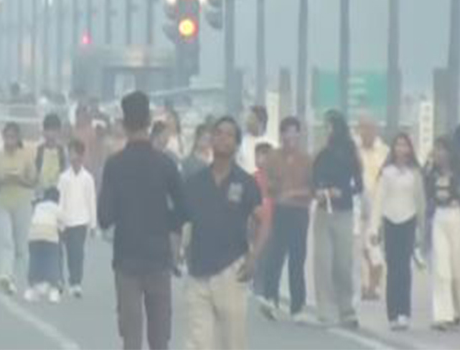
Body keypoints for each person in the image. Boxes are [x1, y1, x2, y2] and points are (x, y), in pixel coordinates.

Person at [98, 90, 187, 350]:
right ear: (149, 120)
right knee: (160, 337)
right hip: (159, 257)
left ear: (124, 124)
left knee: (131, 337)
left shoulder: (115, 165)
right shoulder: (165, 164)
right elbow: (184, 208)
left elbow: (104, 218)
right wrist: (166, 222)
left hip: (127, 258)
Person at [181, 116, 265, 350]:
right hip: (198, 272)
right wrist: (177, 249)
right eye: (218, 133)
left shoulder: (245, 182)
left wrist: (253, 257)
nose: (222, 138)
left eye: (229, 134)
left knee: (232, 342)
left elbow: (263, 221)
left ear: (236, 144)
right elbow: (181, 219)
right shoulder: (195, 182)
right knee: (198, 342)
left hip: (232, 270)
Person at [312, 109, 363, 329]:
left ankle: (346, 308)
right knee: (323, 261)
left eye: (330, 125)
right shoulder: (322, 154)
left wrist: (343, 191)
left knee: (343, 263)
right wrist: (321, 192)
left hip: (344, 212)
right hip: (324, 212)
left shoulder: (351, 152)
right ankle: (325, 309)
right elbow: (313, 181)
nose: (328, 129)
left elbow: (358, 184)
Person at [257, 115, 310, 322]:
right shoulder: (273, 157)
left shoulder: (306, 159)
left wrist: (294, 193)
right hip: (280, 210)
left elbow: (312, 188)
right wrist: (275, 189)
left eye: (293, 131)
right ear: (281, 135)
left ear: (299, 133)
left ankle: (298, 307)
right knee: (275, 255)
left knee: (297, 259)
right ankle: (270, 298)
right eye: (285, 131)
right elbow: (266, 183)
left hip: (299, 212)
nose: (289, 135)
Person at [372, 131, 422, 332]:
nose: (401, 149)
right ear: (393, 149)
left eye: (405, 145)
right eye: (398, 145)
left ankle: (404, 313)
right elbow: (378, 201)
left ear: (410, 149)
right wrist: (374, 228)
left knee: (405, 269)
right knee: (393, 269)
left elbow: (420, 202)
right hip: (390, 221)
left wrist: (420, 230)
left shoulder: (415, 173)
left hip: (408, 221)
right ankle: (393, 314)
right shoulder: (387, 172)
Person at [0, 122, 36, 294]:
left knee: (21, 245)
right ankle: (5, 274)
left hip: (22, 203)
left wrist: (20, 180)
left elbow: (32, 181)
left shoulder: (25, 157)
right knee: (6, 240)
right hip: (3, 203)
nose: (10, 140)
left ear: (18, 139)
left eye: (13, 137)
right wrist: (1, 181)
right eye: (7, 137)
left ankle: (16, 278)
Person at [356, 116, 389, 303]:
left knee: (372, 248)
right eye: (362, 128)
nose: (365, 132)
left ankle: (374, 286)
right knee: (359, 249)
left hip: (378, 208)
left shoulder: (385, 152)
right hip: (357, 207)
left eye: (369, 128)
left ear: (376, 130)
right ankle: (365, 285)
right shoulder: (354, 152)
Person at [58, 137, 96, 298]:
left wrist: (93, 224)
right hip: (66, 221)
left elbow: (91, 201)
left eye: (74, 153)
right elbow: (60, 201)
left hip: (81, 221)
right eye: (70, 153)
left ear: (81, 156)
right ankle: (65, 279)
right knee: (67, 252)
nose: (72, 157)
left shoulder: (88, 178)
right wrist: (59, 221)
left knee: (78, 253)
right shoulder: (64, 178)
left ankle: (76, 283)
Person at [428, 136, 460, 329]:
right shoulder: (430, 173)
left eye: (442, 149)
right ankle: (442, 315)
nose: (439, 153)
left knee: (457, 267)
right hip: (439, 217)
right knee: (441, 268)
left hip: (457, 216)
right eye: (436, 149)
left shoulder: (457, 172)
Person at [26, 186, 64, 303]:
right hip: (50, 236)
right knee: (51, 261)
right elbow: (62, 224)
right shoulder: (57, 208)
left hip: (34, 236)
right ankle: (53, 289)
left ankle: (32, 287)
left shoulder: (38, 206)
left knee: (35, 260)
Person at [236, 106, 267, 176]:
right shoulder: (241, 142)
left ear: (260, 121)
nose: (247, 122)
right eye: (248, 119)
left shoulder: (273, 144)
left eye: (251, 118)